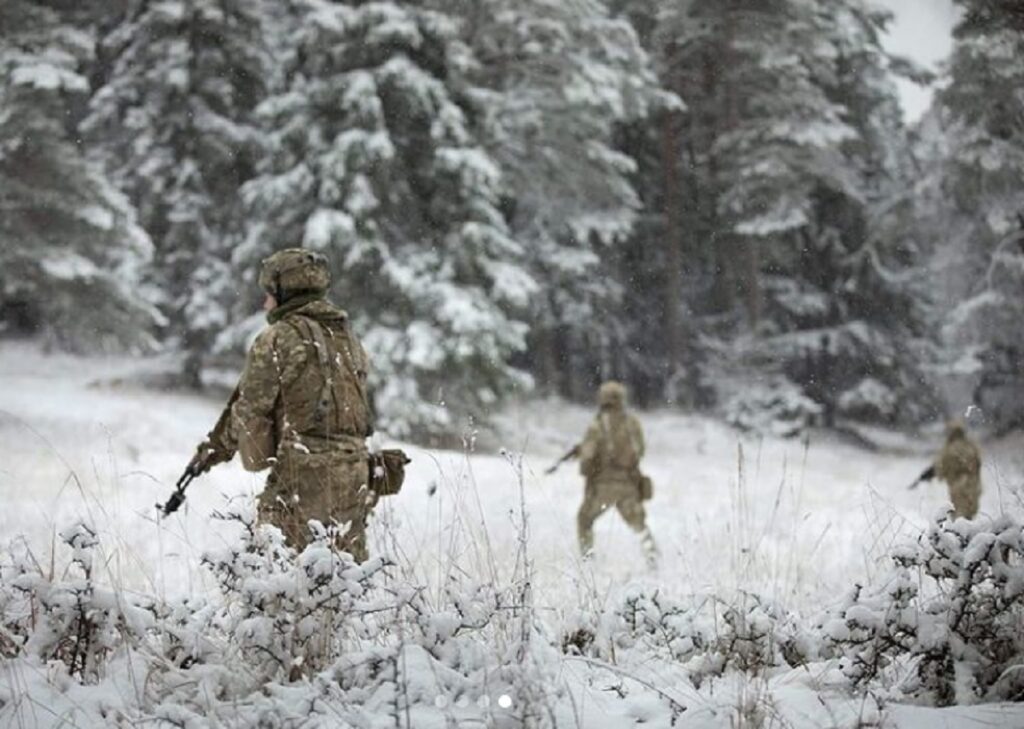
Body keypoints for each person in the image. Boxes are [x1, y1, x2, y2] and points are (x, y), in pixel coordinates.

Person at [189, 248, 376, 559]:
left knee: (274, 572)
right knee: (346, 577)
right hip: (356, 473)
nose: (265, 303)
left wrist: (215, 450)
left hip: (305, 472)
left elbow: (250, 408)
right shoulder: (347, 336)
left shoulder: (278, 337)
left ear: (284, 291)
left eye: (269, 294)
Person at [576, 381, 657, 563]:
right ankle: (653, 559)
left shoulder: (597, 425)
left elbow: (587, 458)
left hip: (603, 487)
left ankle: (588, 564)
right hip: (629, 484)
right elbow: (640, 450)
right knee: (639, 525)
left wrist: (588, 469)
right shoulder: (632, 423)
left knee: (584, 521)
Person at [912, 420, 982, 520]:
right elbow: (978, 463)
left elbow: (941, 465)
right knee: (969, 515)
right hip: (973, 486)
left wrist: (928, 474)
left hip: (959, 486)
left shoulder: (951, 448)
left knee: (959, 517)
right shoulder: (971, 445)